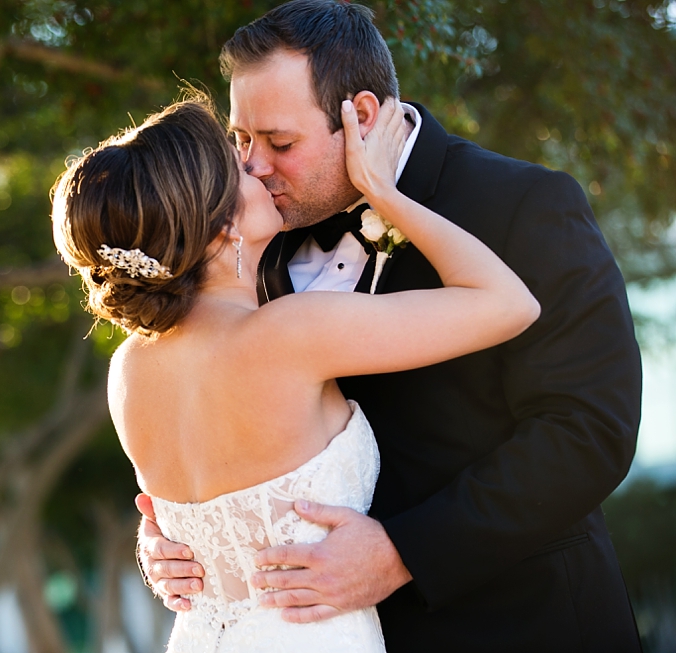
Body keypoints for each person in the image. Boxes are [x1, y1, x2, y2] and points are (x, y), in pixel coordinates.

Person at [137, 2, 644, 651]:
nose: (254, 168)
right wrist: (186, 530)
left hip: (527, 622)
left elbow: (590, 428)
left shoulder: (526, 205)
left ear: (362, 117)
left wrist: (405, 551)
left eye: (280, 142)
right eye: (241, 140)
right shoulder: (254, 238)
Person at [52, 89, 538, 650]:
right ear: (221, 228)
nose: (257, 166)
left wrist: (157, 545)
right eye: (237, 165)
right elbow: (509, 304)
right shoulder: (291, 333)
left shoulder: (129, 369)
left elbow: (199, 516)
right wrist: (385, 190)